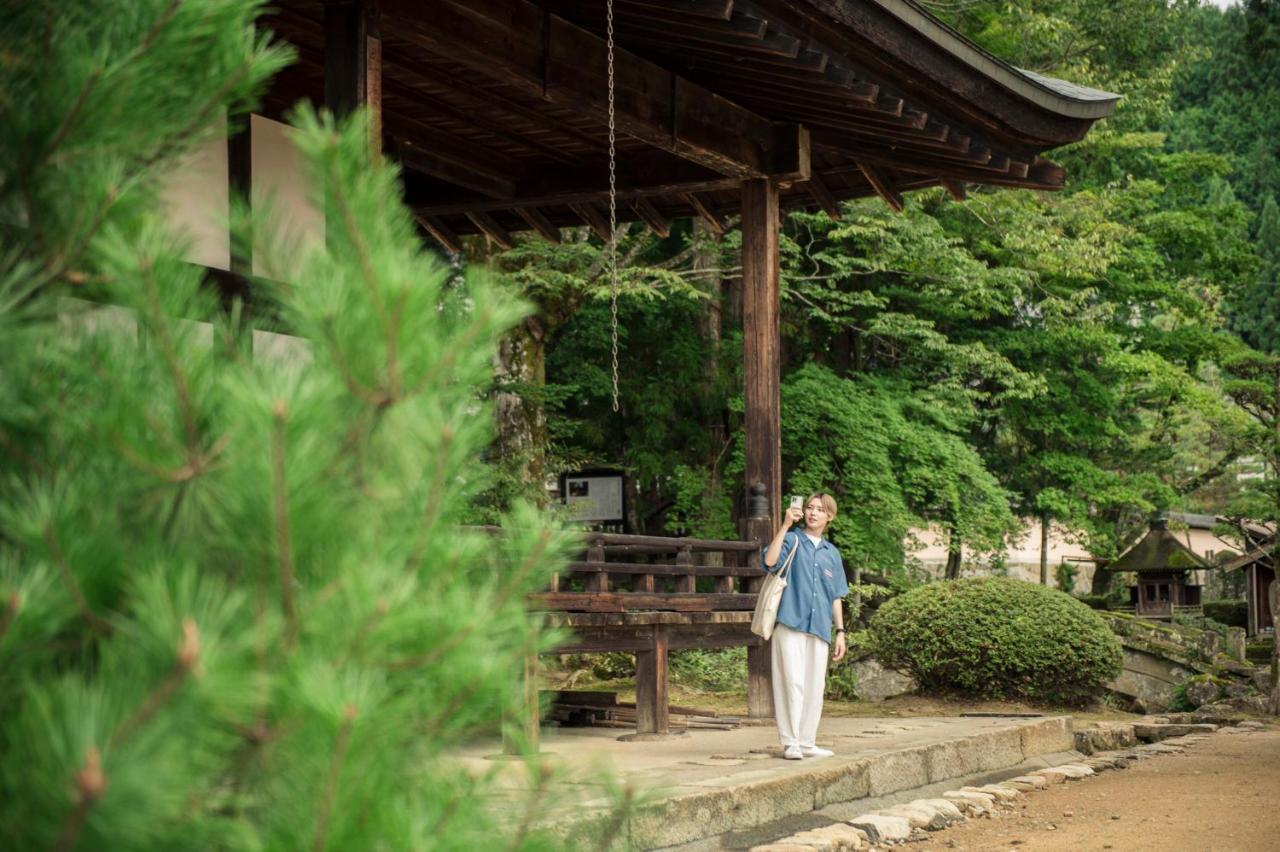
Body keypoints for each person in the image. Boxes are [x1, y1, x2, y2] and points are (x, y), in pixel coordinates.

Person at [761, 492, 848, 760]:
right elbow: (769, 562)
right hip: (790, 621)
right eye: (809, 507)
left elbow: (835, 595)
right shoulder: (792, 539)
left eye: (819, 509)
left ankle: (807, 741)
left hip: (820, 627)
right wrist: (785, 524)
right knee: (792, 683)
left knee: (814, 687)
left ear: (829, 516)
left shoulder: (831, 553)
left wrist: (841, 631)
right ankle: (791, 743)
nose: (812, 513)